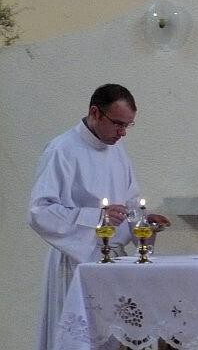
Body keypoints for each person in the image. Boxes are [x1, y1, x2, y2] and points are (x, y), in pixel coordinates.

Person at [28, 83, 170, 350]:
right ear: (95, 113)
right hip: (76, 262)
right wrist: (97, 218)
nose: (122, 132)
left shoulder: (117, 150)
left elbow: (129, 204)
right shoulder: (62, 150)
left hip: (113, 263)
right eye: (118, 124)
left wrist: (144, 223)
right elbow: (40, 211)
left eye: (128, 125)